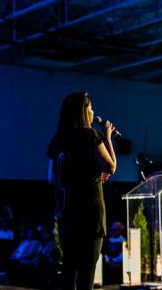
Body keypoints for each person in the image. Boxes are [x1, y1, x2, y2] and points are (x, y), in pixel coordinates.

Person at [47, 92, 117, 290]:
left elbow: (52, 178)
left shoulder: (57, 140)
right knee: (86, 272)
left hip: (67, 211)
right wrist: (108, 137)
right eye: (91, 107)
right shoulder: (91, 135)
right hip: (90, 212)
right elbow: (110, 167)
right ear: (83, 111)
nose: (93, 111)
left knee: (68, 269)